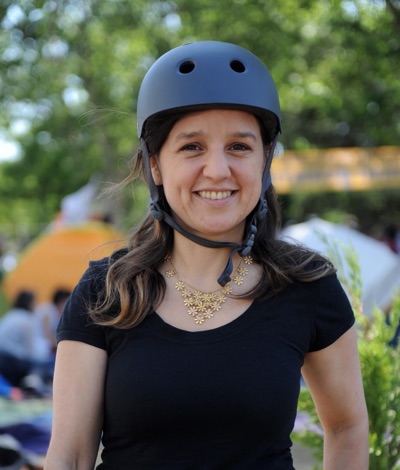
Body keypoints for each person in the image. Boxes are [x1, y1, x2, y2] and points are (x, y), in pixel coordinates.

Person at [45, 41, 369, 469]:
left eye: (239, 146)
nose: (217, 170)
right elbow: (69, 456)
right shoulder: (105, 291)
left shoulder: (308, 286)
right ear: (155, 165)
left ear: (265, 160)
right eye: (192, 147)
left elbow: (347, 427)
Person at [0, 290, 54, 390]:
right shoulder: (27, 320)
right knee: (43, 364)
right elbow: (30, 351)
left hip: (2, 359)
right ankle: (32, 385)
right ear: (29, 302)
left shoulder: (11, 315)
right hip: (11, 361)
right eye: (35, 301)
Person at [34, 288, 71, 357]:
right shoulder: (48, 310)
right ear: (61, 302)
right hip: (39, 347)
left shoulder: (57, 313)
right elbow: (47, 334)